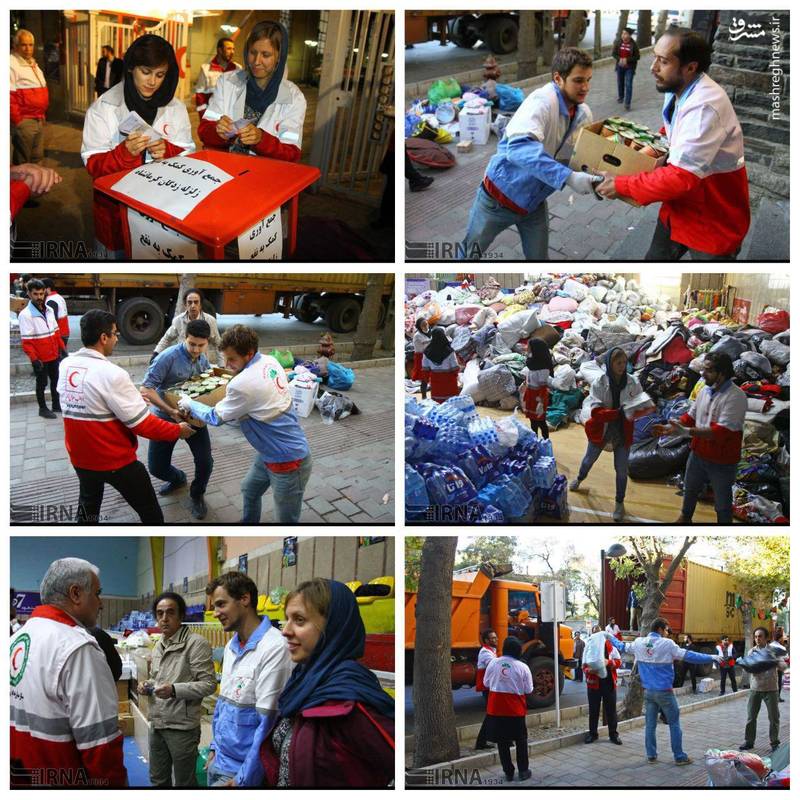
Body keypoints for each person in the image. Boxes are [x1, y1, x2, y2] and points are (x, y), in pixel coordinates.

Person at [596, 27, 750, 260]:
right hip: (678, 209)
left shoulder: (704, 107)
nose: (653, 67)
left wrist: (621, 184)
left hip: (711, 217)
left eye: (663, 61)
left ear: (690, 67)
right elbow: (676, 129)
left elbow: (680, 178)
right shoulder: (678, 87)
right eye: (655, 57)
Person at [57, 309, 195, 523]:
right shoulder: (112, 373)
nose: (116, 337)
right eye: (114, 333)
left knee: (88, 506)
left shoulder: (66, 365)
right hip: (114, 461)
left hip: (80, 458)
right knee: (149, 511)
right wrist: (178, 430)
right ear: (103, 338)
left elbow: (92, 404)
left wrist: (135, 402)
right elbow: (144, 425)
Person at [462, 47, 597, 261]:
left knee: (539, 260)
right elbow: (519, 149)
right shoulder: (541, 102)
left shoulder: (582, 113)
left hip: (533, 204)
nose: (585, 87)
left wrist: (595, 177)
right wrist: (569, 178)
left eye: (589, 80)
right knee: (468, 257)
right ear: (558, 78)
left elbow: (578, 153)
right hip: (496, 200)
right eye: (579, 80)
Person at [259, 579, 395, 786]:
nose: (285, 630)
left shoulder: (351, 700)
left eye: (299, 620)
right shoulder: (303, 681)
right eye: (287, 619)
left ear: (333, 626)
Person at [178, 325, 312, 524]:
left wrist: (190, 404)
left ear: (249, 354)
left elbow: (215, 417)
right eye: (225, 358)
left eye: (232, 359)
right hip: (268, 451)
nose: (227, 364)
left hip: (289, 461)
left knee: (287, 518)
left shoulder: (243, 384)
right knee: (249, 489)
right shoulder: (269, 360)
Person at [10, 558, 127, 787]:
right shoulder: (77, 648)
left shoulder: (15, 640)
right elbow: (102, 748)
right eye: (97, 593)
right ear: (75, 594)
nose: (101, 603)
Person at [81, 34, 195, 258]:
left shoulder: (176, 108)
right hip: (115, 214)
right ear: (131, 67)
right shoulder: (103, 108)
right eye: (146, 72)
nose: (152, 81)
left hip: (163, 211)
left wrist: (168, 151)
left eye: (160, 75)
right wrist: (123, 154)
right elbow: (92, 164)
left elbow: (189, 153)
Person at [206, 572, 293, 787]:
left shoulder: (274, 647)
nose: (215, 613)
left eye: (221, 604)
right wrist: (214, 749)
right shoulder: (230, 647)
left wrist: (243, 779)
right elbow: (222, 705)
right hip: (220, 762)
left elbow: (267, 726)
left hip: (242, 773)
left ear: (244, 599)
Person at [608, 617, 718, 765]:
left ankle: (651, 755)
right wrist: (712, 657)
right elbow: (690, 656)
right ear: (660, 629)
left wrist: (608, 636)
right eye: (667, 630)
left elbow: (621, 646)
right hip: (665, 692)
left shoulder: (639, 643)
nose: (668, 633)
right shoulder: (667, 644)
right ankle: (679, 756)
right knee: (674, 724)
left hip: (648, 692)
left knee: (650, 725)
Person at [654, 352, 747, 524]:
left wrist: (687, 432)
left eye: (708, 370)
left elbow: (721, 432)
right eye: (703, 369)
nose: (702, 374)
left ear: (722, 373)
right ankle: (685, 518)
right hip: (698, 454)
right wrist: (670, 428)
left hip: (722, 462)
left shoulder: (736, 397)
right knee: (690, 490)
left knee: (722, 505)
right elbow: (690, 416)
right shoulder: (704, 390)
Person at [199, 21, 306, 161]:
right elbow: (203, 131)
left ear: (279, 57)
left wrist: (261, 140)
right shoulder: (227, 82)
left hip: (263, 175)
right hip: (223, 167)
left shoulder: (293, 97)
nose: (256, 61)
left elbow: (292, 153)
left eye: (266, 55)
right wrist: (218, 132)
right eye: (252, 52)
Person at [141, 319, 215, 519]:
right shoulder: (168, 357)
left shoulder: (202, 358)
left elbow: (207, 383)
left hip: (194, 418)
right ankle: (178, 478)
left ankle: (197, 494)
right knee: (156, 467)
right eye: (192, 344)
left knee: (205, 462)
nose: (196, 349)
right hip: (166, 418)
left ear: (207, 342)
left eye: (201, 345)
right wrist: (171, 411)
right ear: (185, 337)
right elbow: (146, 389)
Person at [144, 591, 216, 787]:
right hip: (157, 724)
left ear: (181, 615)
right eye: (159, 614)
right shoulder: (159, 644)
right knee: (158, 779)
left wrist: (175, 690)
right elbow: (157, 678)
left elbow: (209, 684)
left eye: (170, 613)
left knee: (184, 783)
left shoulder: (196, 644)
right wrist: (147, 686)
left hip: (181, 728)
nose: (164, 619)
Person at [571, 347, 644, 522]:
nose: (622, 366)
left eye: (624, 363)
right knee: (589, 460)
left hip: (622, 431)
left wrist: (634, 409)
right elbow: (596, 410)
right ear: (610, 364)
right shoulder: (599, 382)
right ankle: (580, 478)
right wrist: (616, 413)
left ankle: (619, 503)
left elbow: (641, 403)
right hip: (601, 429)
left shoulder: (633, 381)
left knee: (621, 471)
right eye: (618, 363)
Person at [483, 636, 533, 783]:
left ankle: (508, 772)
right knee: (521, 741)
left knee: (502, 742)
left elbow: (486, 683)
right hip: (515, 710)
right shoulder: (523, 667)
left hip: (496, 709)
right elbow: (528, 689)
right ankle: (523, 771)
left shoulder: (493, 663)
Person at [18, 278, 65, 418]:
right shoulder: (25, 315)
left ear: (45, 293)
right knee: (42, 383)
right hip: (40, 358)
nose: (39, 297)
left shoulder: (49, 310)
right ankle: (42, 408)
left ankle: (56, 405)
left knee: (56, 381)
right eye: (35, 294)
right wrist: (34, 359)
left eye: (41, 294)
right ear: (29, 294)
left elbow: (56, 333)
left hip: (53, 355)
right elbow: (27, 342)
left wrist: (62, 349)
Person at [742, 626, 786, 752]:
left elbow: (783, 666)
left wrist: (775, 661)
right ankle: (749, 741)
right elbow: (747, 668)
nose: (757, 639)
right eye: (755, 637)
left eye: (760, 636)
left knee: (774, 718)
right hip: (755, 688)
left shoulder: (773, 651)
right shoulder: (752, 652)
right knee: (751, 717)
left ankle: (774, 743)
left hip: (771, 689)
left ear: (766, 638)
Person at [152, 288, 222, 364]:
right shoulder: (178, 320)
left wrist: (222, 365)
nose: (193, 306)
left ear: (201, 304)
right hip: (181, 362)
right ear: (185, 305)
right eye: (189, 302)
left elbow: (218, 344)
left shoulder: (210, 320)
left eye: (196, 302)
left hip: (201, 363)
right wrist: (156, 354)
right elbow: (167, 339)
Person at [11, 29, 49, 168]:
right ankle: (21, 188)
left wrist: (41, 114)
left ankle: (34, 186)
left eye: (31, 44)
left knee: (37, 157)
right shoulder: (11, 64)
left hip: (38, 118)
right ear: (15, 46)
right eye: (24, 45)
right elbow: (9, 96)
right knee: (23, 162)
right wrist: (18, 121)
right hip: (25, 121)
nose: (28, 49)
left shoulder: (32, 63)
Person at [584, 629, 622, 745]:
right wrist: (589, 670)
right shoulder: (589, 648)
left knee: (611, 710)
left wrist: (609, 663)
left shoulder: (611, 648)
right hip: (593, 683)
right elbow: (583, 666)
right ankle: (593, 734)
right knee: (593, 710)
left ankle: (613, 735)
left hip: (609, 683)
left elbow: (619, 662)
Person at [194, 37, 241, 118]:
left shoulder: (238, 69)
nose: (232, 52)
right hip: (213, 118)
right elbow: (200, 95)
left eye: (233, 49)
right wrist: (204, 117)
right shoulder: (206, 69)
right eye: (229, 49)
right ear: (220, 50)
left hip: (232, 118)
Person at [523, 339, 553, 439]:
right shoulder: (532, 361)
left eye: (529, 346)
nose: (526, 348)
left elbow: (543, 387)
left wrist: (540, 402)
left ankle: (545, 441)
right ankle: (534, 441)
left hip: (538, 397)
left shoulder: (543, 368)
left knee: (541, 421)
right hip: (530, 394)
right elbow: (530, 376)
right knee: (533, 421)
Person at [474, 629, 499, 749]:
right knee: (491, 714)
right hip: (488, 687)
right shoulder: (485, 652)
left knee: (495, 714)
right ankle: (481, 742)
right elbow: (494, 665)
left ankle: (497, 739)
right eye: (492, 638)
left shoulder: (491, 651)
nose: (496, 640)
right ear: (486, 640)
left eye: (496, 637)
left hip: (491, 687)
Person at [420, 327, 459, 404]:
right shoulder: (450, 351)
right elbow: (455, 369)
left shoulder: (427, 352)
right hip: (449, 383)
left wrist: (424, 395)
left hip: (436, 383)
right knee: (451, 406)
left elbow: (425, 371)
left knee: (438, 406)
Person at [612, 27, 640, 111]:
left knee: (628, 84)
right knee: (620, 82)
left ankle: (627, 103)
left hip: (629, 68)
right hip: (620, 66)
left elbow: (637, 57)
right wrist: (620, 59)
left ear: (629, 35)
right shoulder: (618, 42)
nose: (623, 35)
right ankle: (621, 97)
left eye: (625, 34)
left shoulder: (633, 45)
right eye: (622, 33)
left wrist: (626, 60)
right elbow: (613, 54)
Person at [41, 277, 70, 350]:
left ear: (48, 289)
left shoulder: (51, 300)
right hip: (64, 332)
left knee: (57, 357)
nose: (40, 292)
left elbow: (53, 320)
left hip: (59, 334)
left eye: (42, 289)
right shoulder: (58, 297)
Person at [411, 318, 431, 400]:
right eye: (423, 325)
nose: (426, 326)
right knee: (424, 377)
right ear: (419, 326)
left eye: (426, 324)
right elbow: (427, 346)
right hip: (421, 357)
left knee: (427, 376)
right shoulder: (418, 335)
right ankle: (424, 396)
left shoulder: (429, 332)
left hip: (428, 356)